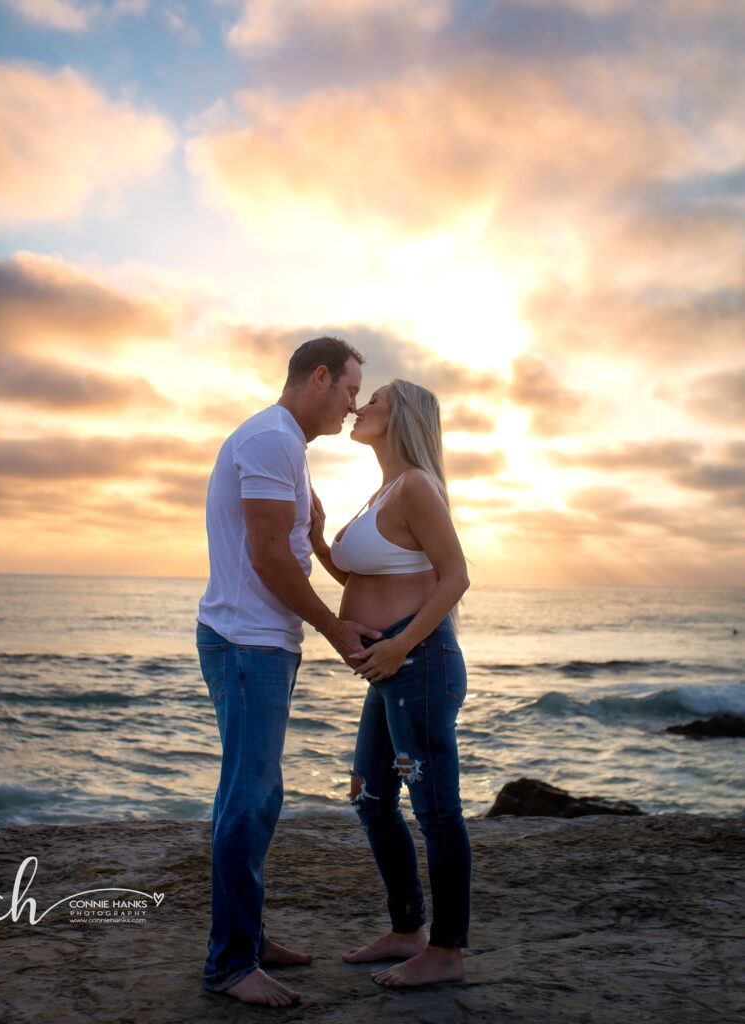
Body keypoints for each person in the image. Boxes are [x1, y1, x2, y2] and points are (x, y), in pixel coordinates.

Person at [195, 337, 382, 1007]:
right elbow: (271, 558)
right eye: (349, 390)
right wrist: (334, 627)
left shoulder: (285, 447)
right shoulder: (272, 439)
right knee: (248, 798)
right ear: (320, 376)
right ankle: (229, 964)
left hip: (257, 639)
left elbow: (301, 541)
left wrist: (341, 566)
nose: (352, 405)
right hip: (247, 643)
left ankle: (246, 935)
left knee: (254, 795)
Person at [310, 378, 471, 988]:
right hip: (390, 669)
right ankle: (409, 930)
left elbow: (455, 577)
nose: (360, 406)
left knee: (435, 811)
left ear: (399, 415)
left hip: (419, 661)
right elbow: (363, 575)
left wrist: (401, 644)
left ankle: (447, 952)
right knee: (371, 799)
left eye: (373, 399)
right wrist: (319, 542)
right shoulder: (383, 491)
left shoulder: (418, 487)